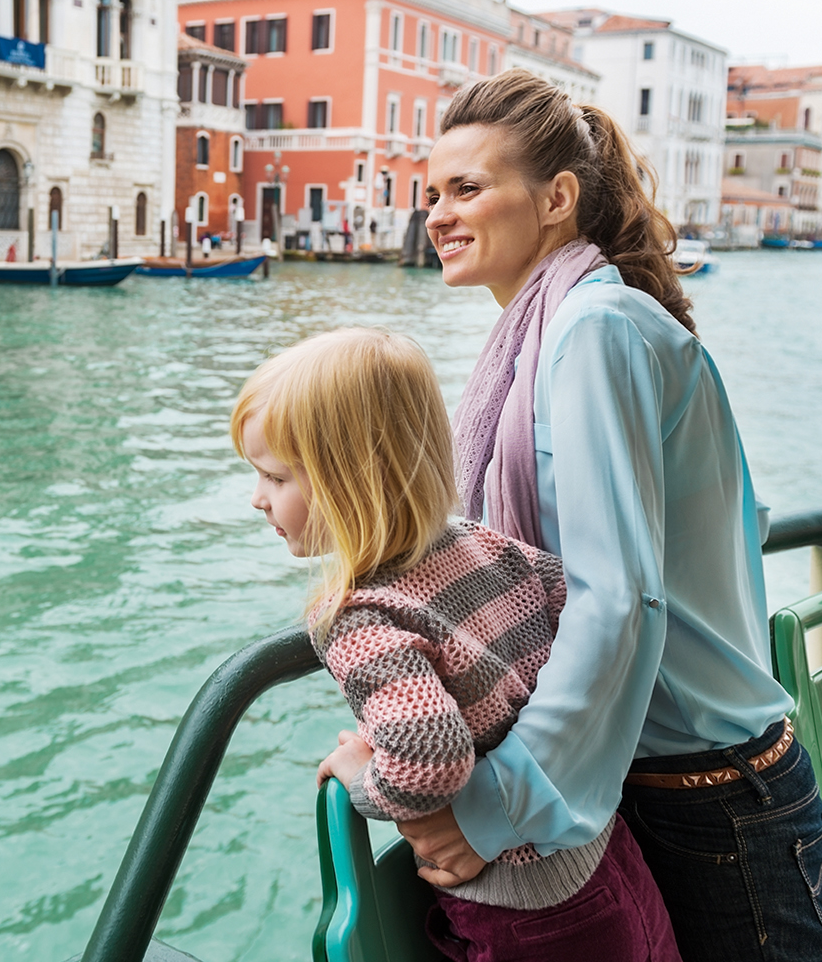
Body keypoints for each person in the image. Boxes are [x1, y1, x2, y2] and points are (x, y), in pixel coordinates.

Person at [401, 68, 822, 962]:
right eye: (431, 193)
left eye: (467, 189)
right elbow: (731, 521)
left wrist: (496, 806)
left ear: (557, 197)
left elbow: (617, 597)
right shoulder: (568, 329)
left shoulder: (592, 333)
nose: (436, 214)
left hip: (714, 799)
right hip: (678, 786)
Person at [230, 328, 682, 962]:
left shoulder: (360, 616)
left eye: (274, 477)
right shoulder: (480, 544)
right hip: (604, 855)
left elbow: (427, 753)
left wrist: (363, 781)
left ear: (349, 481)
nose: (257, 499)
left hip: (528, 915)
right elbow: (567, 608)